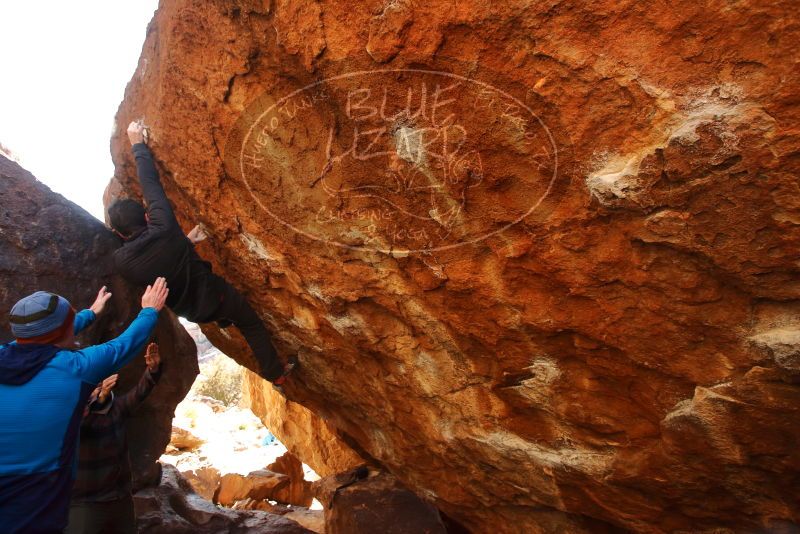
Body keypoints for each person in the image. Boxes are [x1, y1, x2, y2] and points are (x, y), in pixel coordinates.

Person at [107, 120, 295, 387]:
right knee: (250, 323)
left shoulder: (123, 262)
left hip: (193, 312)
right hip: (215, 298)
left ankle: (223, 320)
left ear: (119, 234)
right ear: (147, 217)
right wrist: (137, 144)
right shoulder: (163, 226)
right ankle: (276, 373)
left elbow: (158, 259)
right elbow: (151, 186)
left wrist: (184, 242)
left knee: (213, 304)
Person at [0, 277, 169, 533]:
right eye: (71, 320)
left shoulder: (7, 353)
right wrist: (149, 310)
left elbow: (35, 339)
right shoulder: (74, 369)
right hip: (36, 504)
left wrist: (88, 315)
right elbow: (124, 345)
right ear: (62, 330)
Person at [67, 342, 162, 534]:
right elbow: (77, 427)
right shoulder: (69, 410)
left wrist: (152, 370)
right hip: (85, 503)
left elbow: (139, 393)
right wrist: (98, 400)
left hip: (120, 498)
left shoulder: (116, 407)